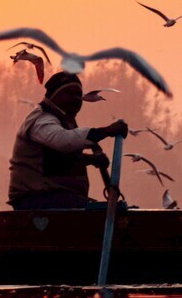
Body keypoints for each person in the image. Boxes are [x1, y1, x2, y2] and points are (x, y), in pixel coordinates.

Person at [9, 71, 128, 210]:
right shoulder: (41, 120)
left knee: (102, 211)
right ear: (54, 96)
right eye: (69, 93)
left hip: (61, 199)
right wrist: (106, 131)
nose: (76, 98)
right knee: (95, 213)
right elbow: (63, 141)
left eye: (78, 94)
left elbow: (54, 161)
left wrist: (91, 160)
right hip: (35, 200)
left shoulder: (64, 119)